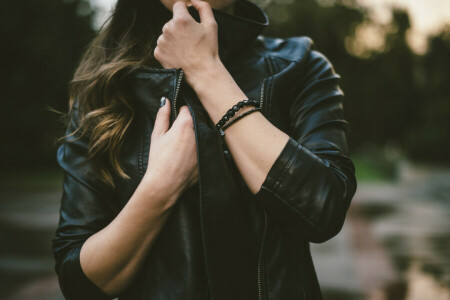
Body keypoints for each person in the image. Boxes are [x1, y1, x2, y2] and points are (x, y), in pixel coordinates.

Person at [51, 0, 358, 299]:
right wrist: (161, 187)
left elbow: (323, 210)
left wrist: (205, 71)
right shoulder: (104, 88)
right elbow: (78, 283)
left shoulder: (301, 64)